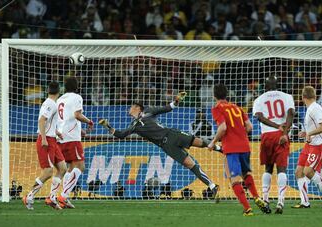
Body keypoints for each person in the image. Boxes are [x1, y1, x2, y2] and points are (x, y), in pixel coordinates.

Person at [99, 92, 221, 198]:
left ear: (137, 107)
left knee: (199, 142)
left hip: (172, 134)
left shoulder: (149, 111)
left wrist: (177, 100)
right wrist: (107, 126)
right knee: (191, 165)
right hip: (167, 146)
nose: (129, 109)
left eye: (131, 106)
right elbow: (121, 135)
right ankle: (212, 186)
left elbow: (168, 108)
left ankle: (220, 148)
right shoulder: (133, 125)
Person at [208, 84, 268, 216]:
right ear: (227, 94)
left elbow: (223, 127)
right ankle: (257, 197)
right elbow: (250, 127)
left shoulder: (217, 108)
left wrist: (213, 142)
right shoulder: (237, 107)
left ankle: (247, 209)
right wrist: (239, 135)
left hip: (232, 148)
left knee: (234, 178)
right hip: (245, 145)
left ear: (214, 96)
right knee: (246, 173)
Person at [252, 75, 295, 214]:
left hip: (267, 136)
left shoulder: (259, 99)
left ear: (265, 86)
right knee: (281, 169)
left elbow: (258, 116)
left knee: (268, 168)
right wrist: (284, 131)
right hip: (281, 134)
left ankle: (265, 199)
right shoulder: (287, 96)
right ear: (277, 85)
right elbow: (291, 112)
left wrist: (276, 126)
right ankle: (281, 202)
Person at [23, 81, 67, 210]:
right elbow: (42, 120)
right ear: (59, 92)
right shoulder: (50, 104)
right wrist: (43, 138)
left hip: (52, 138)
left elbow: (47, 122)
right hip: (46, 140)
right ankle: (29, 196)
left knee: (63, 168)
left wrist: (56, 132)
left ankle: (52, 197)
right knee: (48, 172)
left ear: (48, 91)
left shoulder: (51, 103)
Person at [292, 86, 322, 209]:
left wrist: (310, 133)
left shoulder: (315, 108)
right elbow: (315, 127)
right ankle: (304, 202)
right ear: (314, 95)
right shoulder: (310, 108)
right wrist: (306, 133)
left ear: (303, 97)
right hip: (310, 144)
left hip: (319, 145)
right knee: (298, 171)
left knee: (308, 171)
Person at [56, 77, 94, 208]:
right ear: (77, 87)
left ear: (64, 87)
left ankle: (63, 197)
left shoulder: (60, 99)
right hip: (72, 138)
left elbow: (67, 118)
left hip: (61, 137)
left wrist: (80, 130)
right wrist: (89, 121)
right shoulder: (77, 97)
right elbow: (77, 115)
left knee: (70, 168)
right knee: (80, 166)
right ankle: (64, 196)